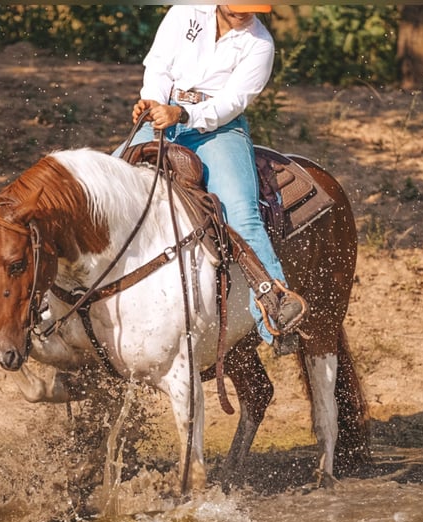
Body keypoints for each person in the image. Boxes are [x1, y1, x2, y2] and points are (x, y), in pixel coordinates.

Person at [122, 4, 305, 355]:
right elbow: (159, 63)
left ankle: (274, 307)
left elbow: (233, 101)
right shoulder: (184, 13)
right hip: (165, 113)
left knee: (241, 211)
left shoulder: (260, 44)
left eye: (252, 9)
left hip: (218, 129)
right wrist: (154, 102)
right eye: (239, 7)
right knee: (105, 184)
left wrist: (184, 114)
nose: (245, 14)